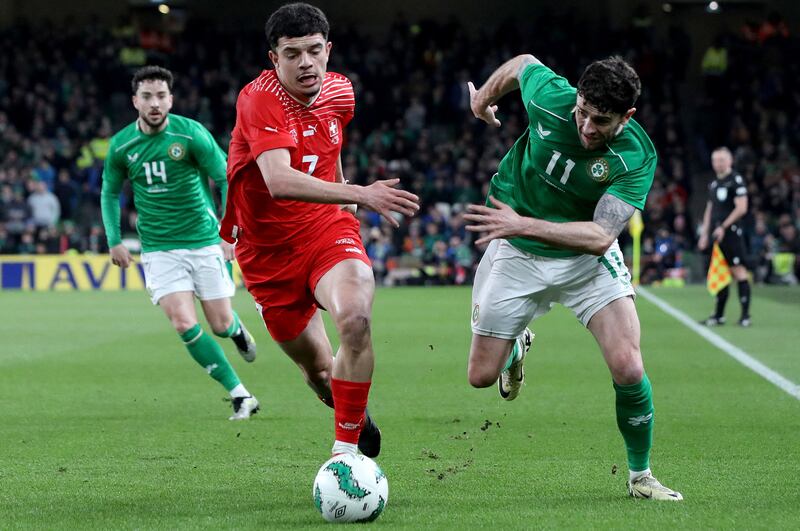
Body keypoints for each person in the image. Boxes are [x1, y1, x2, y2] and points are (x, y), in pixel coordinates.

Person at [463, 54, 682, 500]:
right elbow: (523, 64)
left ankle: (640, 477)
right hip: (517, 252)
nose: (585, 127)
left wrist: (522, 223)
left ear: (628, 117)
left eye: (600, 121)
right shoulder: (551, 98)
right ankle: (517, 346)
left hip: (583, 258)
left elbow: (601, 236)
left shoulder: (635, 155)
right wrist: (482, 101)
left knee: (628, 364)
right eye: (581, 112)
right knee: (480, 377)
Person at [220, 3, 419, 457]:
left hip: (326, 230)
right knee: (320, 374)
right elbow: (279, 180)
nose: (305, 62)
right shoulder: (259, 98)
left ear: (328, 50)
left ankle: (344, 453)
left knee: (355, 318)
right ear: (275, 58)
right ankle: (351, 412)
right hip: (267, 254)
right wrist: (362, 193)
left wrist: (346, 191)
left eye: (313, 51)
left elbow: (330, 146)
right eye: (292, 54)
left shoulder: (341, 92)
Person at [101, 66, 260, 421]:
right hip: (158, 249)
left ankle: (235, 330)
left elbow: (225, 177)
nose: (154, 103)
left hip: (203, 241)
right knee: (183, 324)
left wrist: (228, 232)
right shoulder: (121, 146)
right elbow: (110, 193)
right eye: (147, 96)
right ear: (134, 101)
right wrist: (115, 240)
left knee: (219, 323)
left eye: (161, 96)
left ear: (171, 99)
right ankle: (240, 394)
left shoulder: (191, 135)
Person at [698, 147, 752, 326]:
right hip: (716, 235)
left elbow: (742, 208)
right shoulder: (714, 184)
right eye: (715, 160)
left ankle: (745, 316)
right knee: (719, 272)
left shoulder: (735, 180)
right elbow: (709, 210)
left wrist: (723, 226)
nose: (718, 164)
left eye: (721, 160)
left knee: (738, 271)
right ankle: (719, 315)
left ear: (730, 161)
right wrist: (704, 233)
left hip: (731, 234)